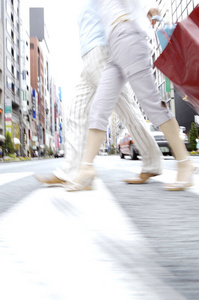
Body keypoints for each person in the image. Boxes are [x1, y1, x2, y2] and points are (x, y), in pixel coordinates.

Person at [65, 0, 195, 192]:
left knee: (152, 105)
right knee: (99, 109)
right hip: (114, 47)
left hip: (128, 37)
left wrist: (148, 7)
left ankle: (184, 162)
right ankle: (86, 168)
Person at [35, 0, 163, 186]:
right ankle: (71, 171)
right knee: (76, 113)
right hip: (89, 58)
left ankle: (152, 162)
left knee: (126, 110)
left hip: (103, 52)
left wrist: (147, 8)